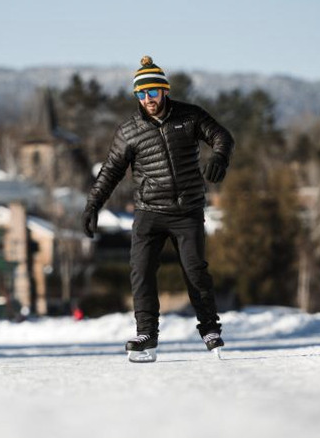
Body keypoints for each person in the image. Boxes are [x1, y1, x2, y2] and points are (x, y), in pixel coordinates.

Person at [82, 56, 235, 363]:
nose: (148, 99)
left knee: (195, 270)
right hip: (149, 211)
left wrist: (219, 157)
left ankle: (210, 329)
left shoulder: (189, 116)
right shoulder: (129, 131)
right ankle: (146, 333)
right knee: (141, 271)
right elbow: (111, 171)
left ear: (164, 90)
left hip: (187, 210)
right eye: (141, 94)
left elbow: (222, 136)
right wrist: (93, 204)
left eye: (153, 92)